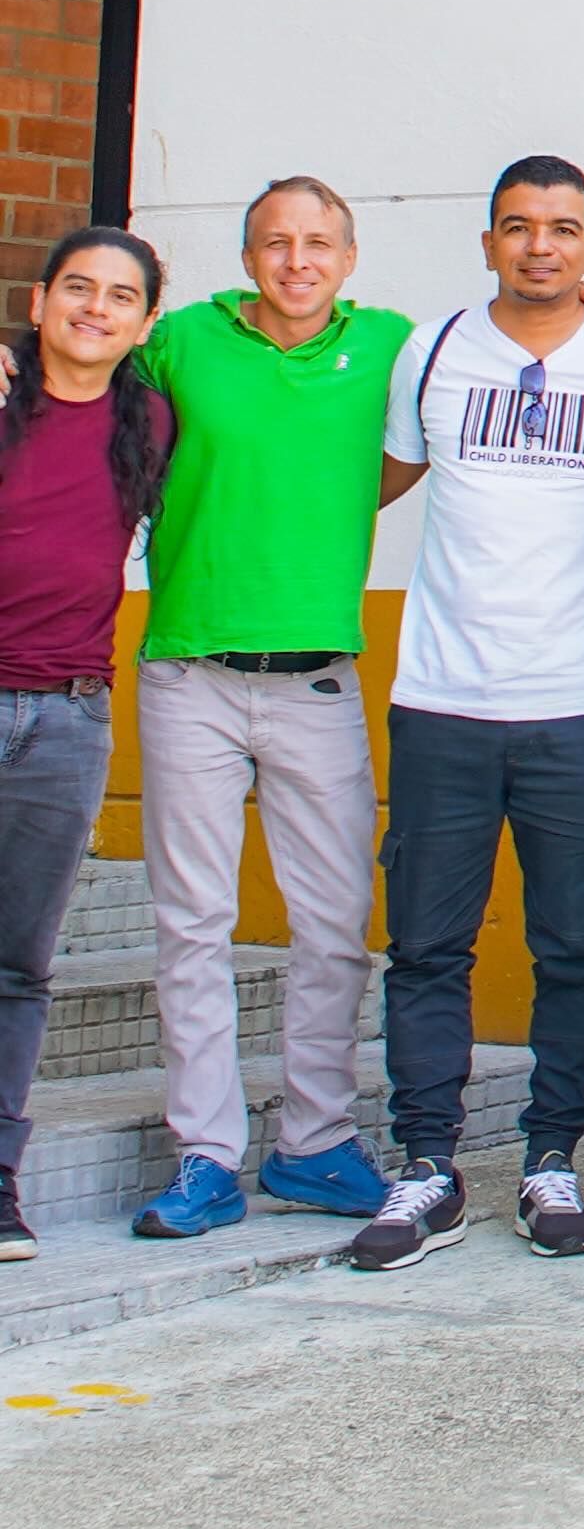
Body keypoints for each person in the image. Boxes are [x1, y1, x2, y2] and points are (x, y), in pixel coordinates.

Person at [350, 156, 584, 1274]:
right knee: (426, 945)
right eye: (518, 227)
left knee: (574, 946)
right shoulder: (431, 353)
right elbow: (364, 482)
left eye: (563, 229)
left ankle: (549, 1160)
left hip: (583, 702)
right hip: (441, 697)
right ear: (487, 241)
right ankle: (426, 1165)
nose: (541, 246)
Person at [117, 179, 410, 1241]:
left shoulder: (387, 344)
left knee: (334, 923)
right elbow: (82, 385)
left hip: (320, 679)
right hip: (189, 669)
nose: (297, 259)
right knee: (191, 924)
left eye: (318, 242)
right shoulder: (182, 341)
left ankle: (315, 1140)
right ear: (247, 255)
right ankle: (205, 1155)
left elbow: (486, 377)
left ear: (348, 254)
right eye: (277, 242)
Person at [0, 231, 172, 1260]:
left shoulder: (149, 418)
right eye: (78, 289)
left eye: (121, 296)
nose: (95, 309)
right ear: (40, 298)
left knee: (18, 966)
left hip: (67, 719)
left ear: (147, 321)